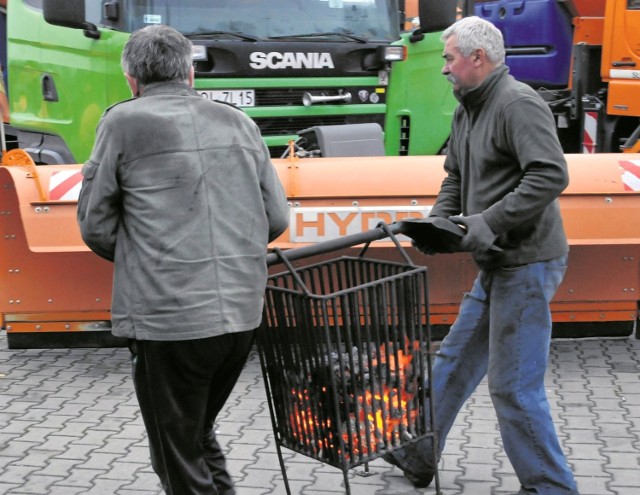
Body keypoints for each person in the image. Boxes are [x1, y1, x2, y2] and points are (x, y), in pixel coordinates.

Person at [77, 25, 289, 495]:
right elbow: (275, 217)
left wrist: (146, 258)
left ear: (131, 78)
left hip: (169, 319)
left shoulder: (121, 123)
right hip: (240, 315)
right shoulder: (240, 123)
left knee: (175, 453)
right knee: (193, 433)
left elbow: (95, 223)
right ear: (190, 73)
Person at [384, 16, 580, 495]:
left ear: (478, 58)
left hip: (527, 262)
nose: (445, 68)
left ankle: (551, 486)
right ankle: (419, 451)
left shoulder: (518, 103)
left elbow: (550, 175)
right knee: (452, 360)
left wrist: (487, 223)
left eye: (449, 59)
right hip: (497, 260)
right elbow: (455, 177)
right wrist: (439, 222)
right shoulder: (468, 107)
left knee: (512, 386)